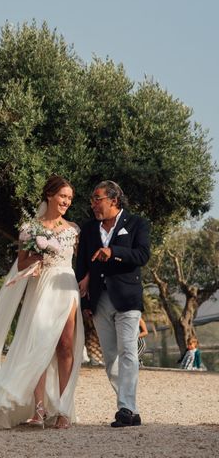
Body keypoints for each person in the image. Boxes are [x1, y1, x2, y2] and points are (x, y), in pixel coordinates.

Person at [0, 175, 84, 430]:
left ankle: (63, 408)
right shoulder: (30, 228)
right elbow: (22, 263)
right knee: (39, 345)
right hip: (42, 287)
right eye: (63, 196)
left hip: (66, 285)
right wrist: (37, 256)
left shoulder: (73, 230)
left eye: (70, 198)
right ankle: (39, 408)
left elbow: (80, 264)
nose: (66, 202)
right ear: (49, 195)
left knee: (65, 345)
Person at [76, 181, 150, 428]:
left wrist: (114, 251)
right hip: (99, 299)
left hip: (127, 298)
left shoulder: (137, 224)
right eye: (92, 200)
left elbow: (142, 255)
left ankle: (125, 409)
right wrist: (85, 300)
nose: (93, 204)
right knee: (110, 358)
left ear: (114, 200)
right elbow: (82, 265)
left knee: (128, 351)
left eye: (97, 199)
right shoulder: (88, 229)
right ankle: (132, 409)